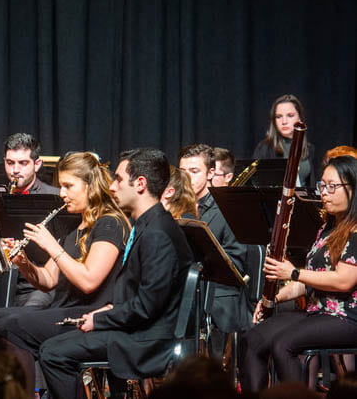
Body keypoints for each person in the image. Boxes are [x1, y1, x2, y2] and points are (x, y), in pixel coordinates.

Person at [38, 148, 194, 399]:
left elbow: (147, 306)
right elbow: (140, 294)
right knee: (52, 345)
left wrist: (100, 320)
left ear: (140, 184)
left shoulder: (158, 234)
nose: (111, 186)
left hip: (148, 340)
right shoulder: (149, 225)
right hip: (138, 328)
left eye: (119, 179)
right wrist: (108, 310)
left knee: (53, 353)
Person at [0, 151, 130, 389]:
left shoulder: (110, 223)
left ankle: (30, 393)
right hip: (63, 309)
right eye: (61, 186)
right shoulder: (76, 226)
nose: (63, 194)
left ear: (90, 186)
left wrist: (51, 246)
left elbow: (89, 281)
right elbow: (47, 280)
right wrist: (23, 262)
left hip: (89, 314)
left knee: (10, 326)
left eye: (68, 186)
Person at [239, 156, 357, 391]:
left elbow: (343, 281)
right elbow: (309, 280)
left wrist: (292, 272)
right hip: (318, 312)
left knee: (284, 344)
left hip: (348, 317)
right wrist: (273, 298)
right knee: (252, 339)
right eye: (322, 185)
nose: (324, 192)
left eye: (332, 186)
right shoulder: (327, 228)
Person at [180, 144, 251, 360]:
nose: (187, 178)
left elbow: (236, 264)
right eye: (182, 172)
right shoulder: (177, 206)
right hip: (188, 290)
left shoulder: (228, 209)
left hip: (219, 293)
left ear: (211, 173)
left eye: (194, 171)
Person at [2, 133, 60, 308]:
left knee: (23, 317)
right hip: (3, 280)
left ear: (37, 164)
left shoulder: (55, 198)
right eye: (10, 163)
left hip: (37, 282)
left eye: (23, 163)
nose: (15, 170)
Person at [252, 94, 315, 186]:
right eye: (279, 116)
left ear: (300, 117)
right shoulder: (264, 148)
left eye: (290, 115)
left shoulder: (309, 148)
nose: (284, 121)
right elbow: (256, 183)